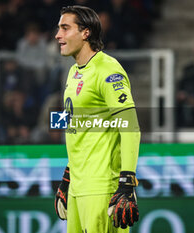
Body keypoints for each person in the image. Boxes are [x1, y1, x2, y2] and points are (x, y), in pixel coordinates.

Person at [54, 6, 140, 232]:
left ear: (85, 33)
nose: (57, 35)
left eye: (65, 28)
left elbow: (131, 127)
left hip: (101, 188)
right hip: (77, 188)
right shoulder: (73, 71)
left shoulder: (108, 70)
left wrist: (126, 182)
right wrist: (67, 177)